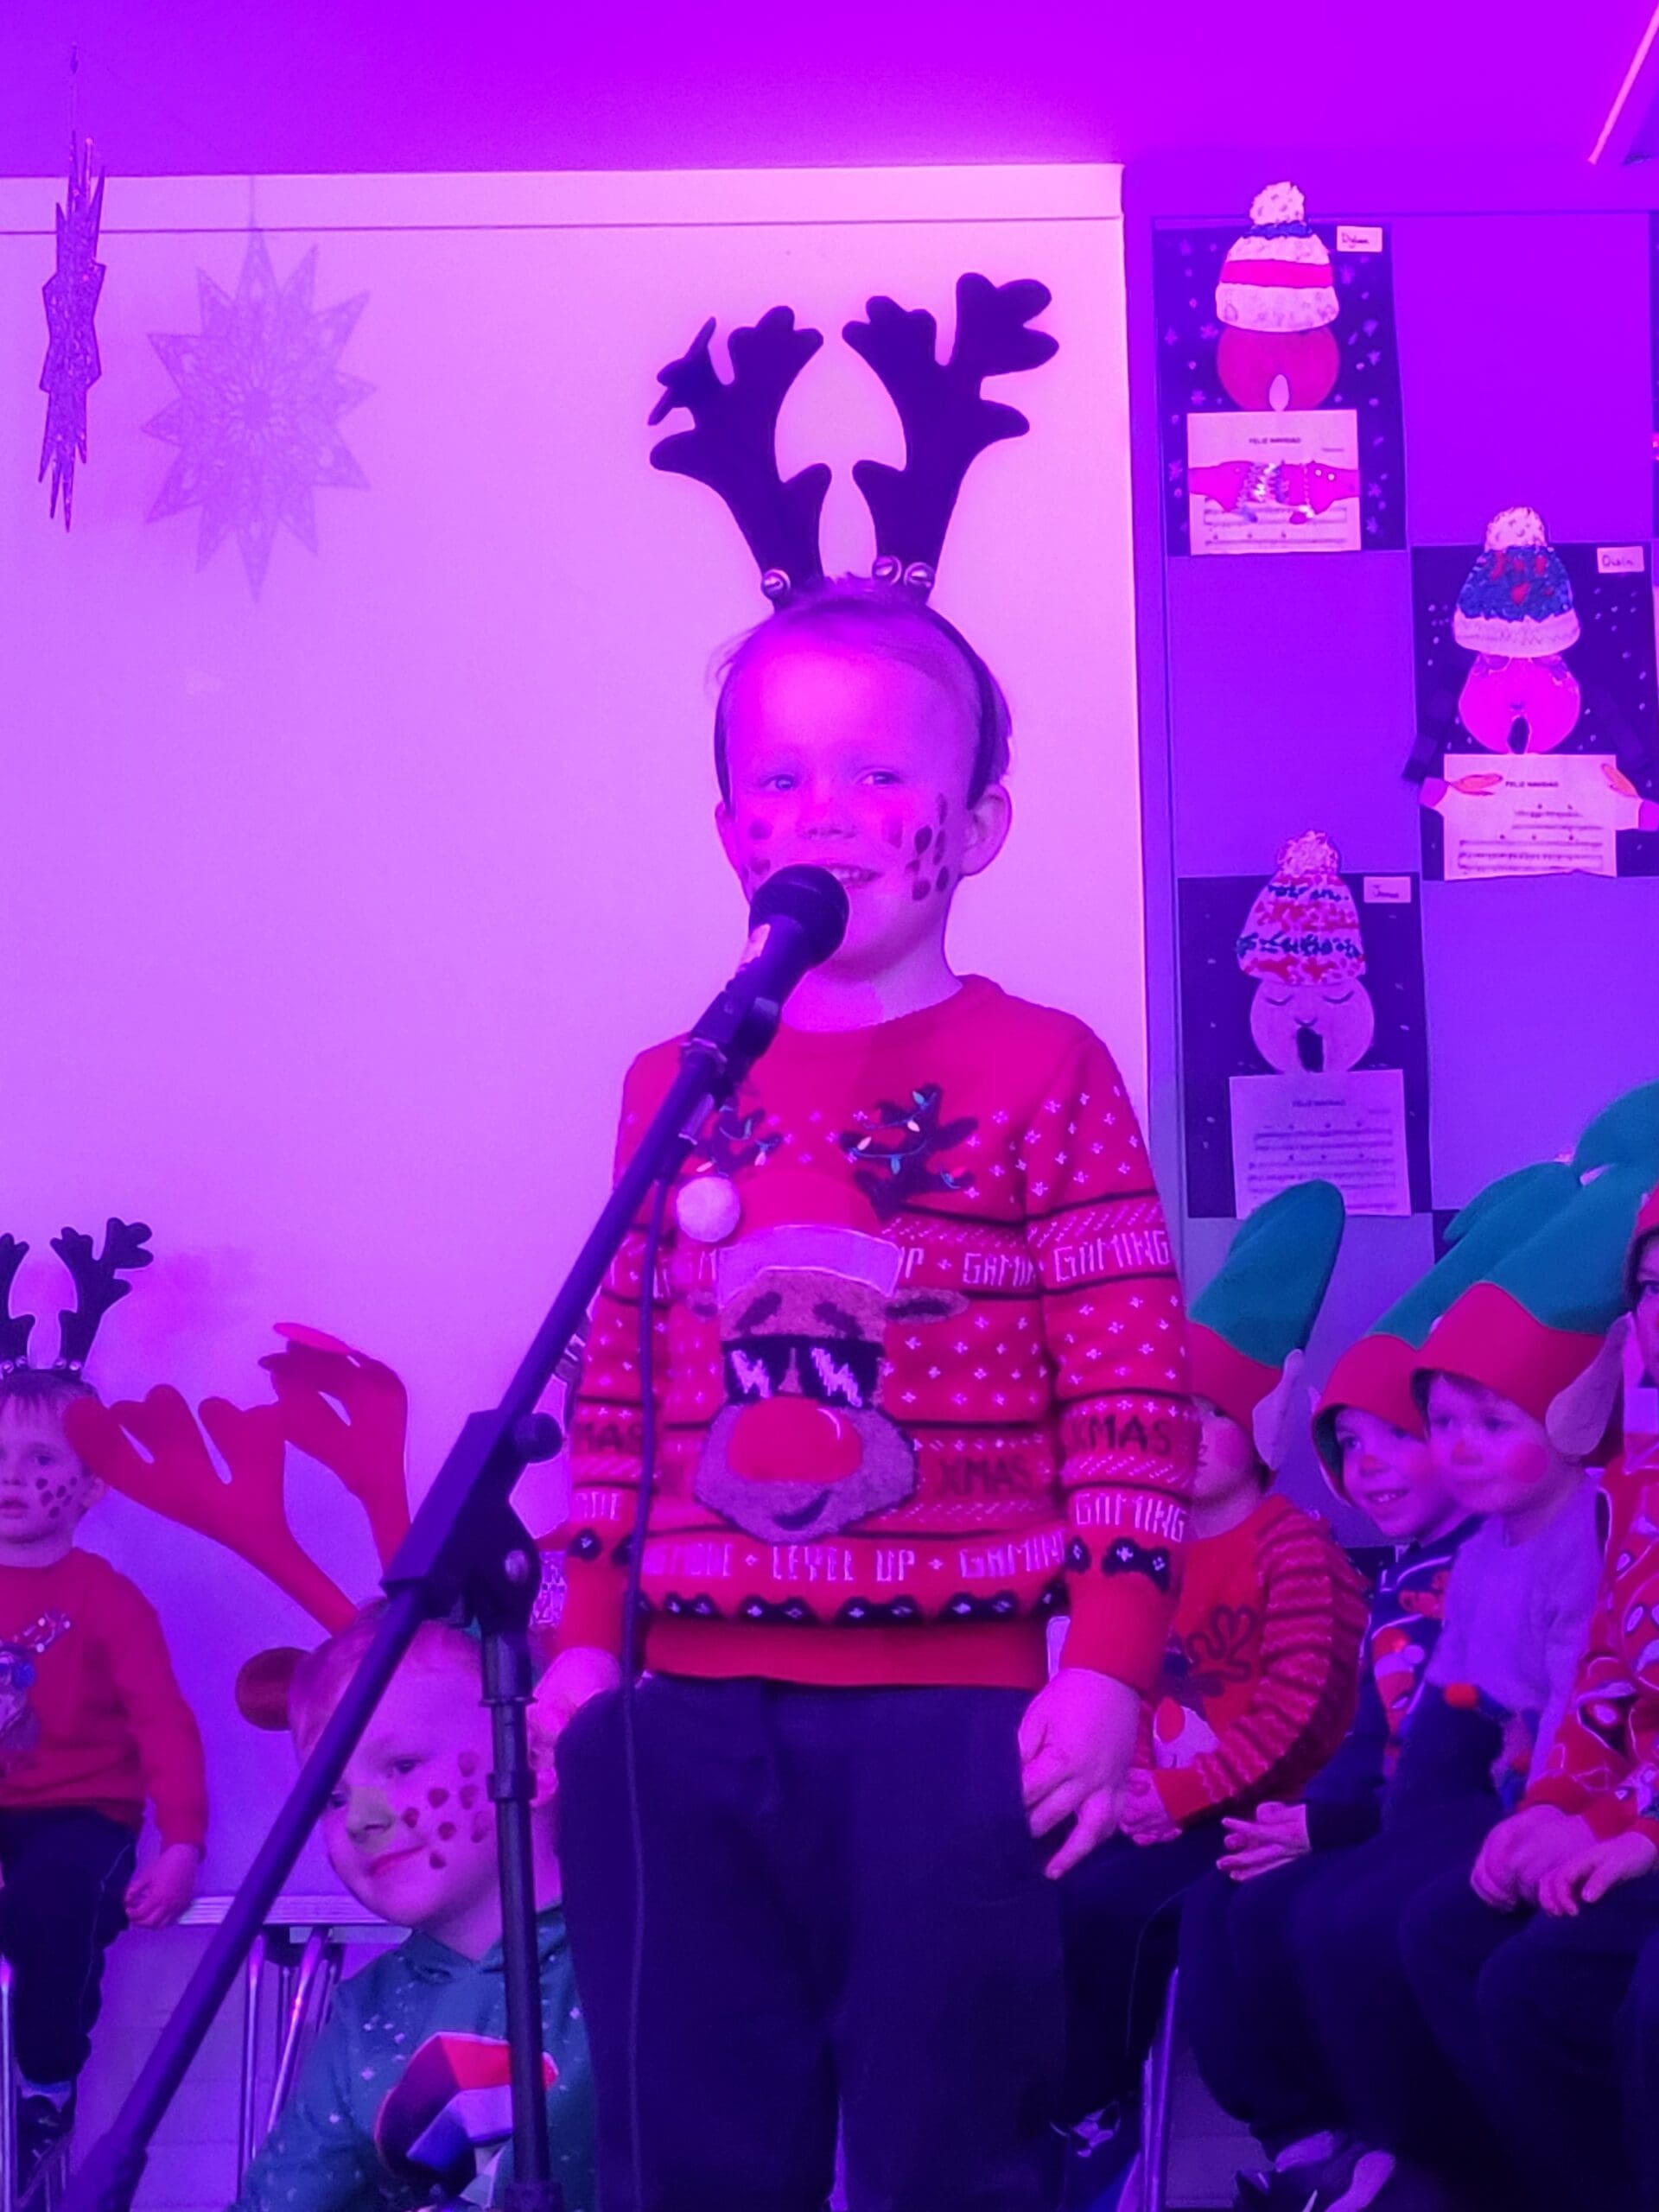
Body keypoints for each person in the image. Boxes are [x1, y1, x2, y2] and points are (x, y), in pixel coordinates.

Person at [537, 280, 1198, 2211]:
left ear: (977, 824)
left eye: (883, 776)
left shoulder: (1044, 1064)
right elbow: (615, 1390)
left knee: (944, 2137)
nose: (825, 812)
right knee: (693, 2142)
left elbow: (1131, 1395)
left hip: (950, 1713)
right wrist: (582, 1643)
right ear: (730, 828)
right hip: (681, 1711)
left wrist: (1110, 1664)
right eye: (784, 778)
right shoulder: (680, 1073)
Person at [1173, 1162, 1574, 2211]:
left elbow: (1478, 1748)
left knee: (1353, 1918)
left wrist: (1325, 1825)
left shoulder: (1503, 1561)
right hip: (1385, 1815)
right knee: (1221, 1908)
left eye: (1405, 1436)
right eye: (1352, 1445)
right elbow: (1367, 1733)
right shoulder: (1402, 1574)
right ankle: (1321, 2145)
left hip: (1496, 1818)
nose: (1376, 1467)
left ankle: (1435, 2164)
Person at [1056, 1184, 1364, 2206]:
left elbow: (1298, 1713)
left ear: (1263, 1429)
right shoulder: (1144, 1555)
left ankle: (1098, 2111)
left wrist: (1177, 1797)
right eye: (1169, 1414)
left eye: (1211, 1415)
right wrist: (1122, 1785)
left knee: (1113, 1910)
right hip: (1156, 1803)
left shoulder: (1295, 1551)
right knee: (1033, 1877)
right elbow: (1119, 1686)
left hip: (1253, 1820)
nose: (1182, 1435)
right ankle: (1034, 2094)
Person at [1402, 1149, 1659, 2212]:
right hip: (1629, 1812)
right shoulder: (1637, 1485)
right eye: (1653, 1288)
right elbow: (1606, 1676)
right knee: (1452, 1934)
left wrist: (1632, 1831)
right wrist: (1556, 1803)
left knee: (1593, 1995)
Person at [229, 1611, 596, 2212]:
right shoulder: (361, 2020)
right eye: (332, 1797)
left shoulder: (636, 1954)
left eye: (402, 1766)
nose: (360, 1818)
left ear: (531, 1754)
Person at [0, 1217, 206, 2193]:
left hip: (81, 1812)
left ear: (89, 1488)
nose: (14, 1477)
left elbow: (164, 1721)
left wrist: (182, 1843)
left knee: (55, 1902)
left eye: (42, 1462)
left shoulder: (108, 1599)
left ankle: (45, 2083)